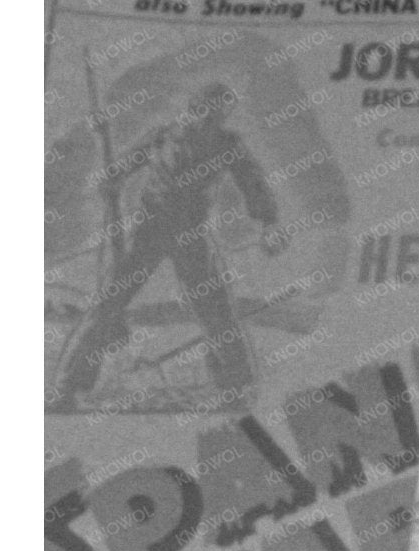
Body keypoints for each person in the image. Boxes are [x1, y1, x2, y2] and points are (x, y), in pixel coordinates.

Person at [50, 81, 287, 407]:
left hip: (192, 236)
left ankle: (236, 389)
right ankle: (66, 388)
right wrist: (108, 171)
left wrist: (269, 222)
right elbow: (118, 171)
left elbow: (253, 181)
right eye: (209, 111)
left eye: (220, 114)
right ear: (196, 107)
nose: (212, 120)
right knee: (108, 304)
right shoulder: (162, 135)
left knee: (215, 310)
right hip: (149, 231)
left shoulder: (226, 142)